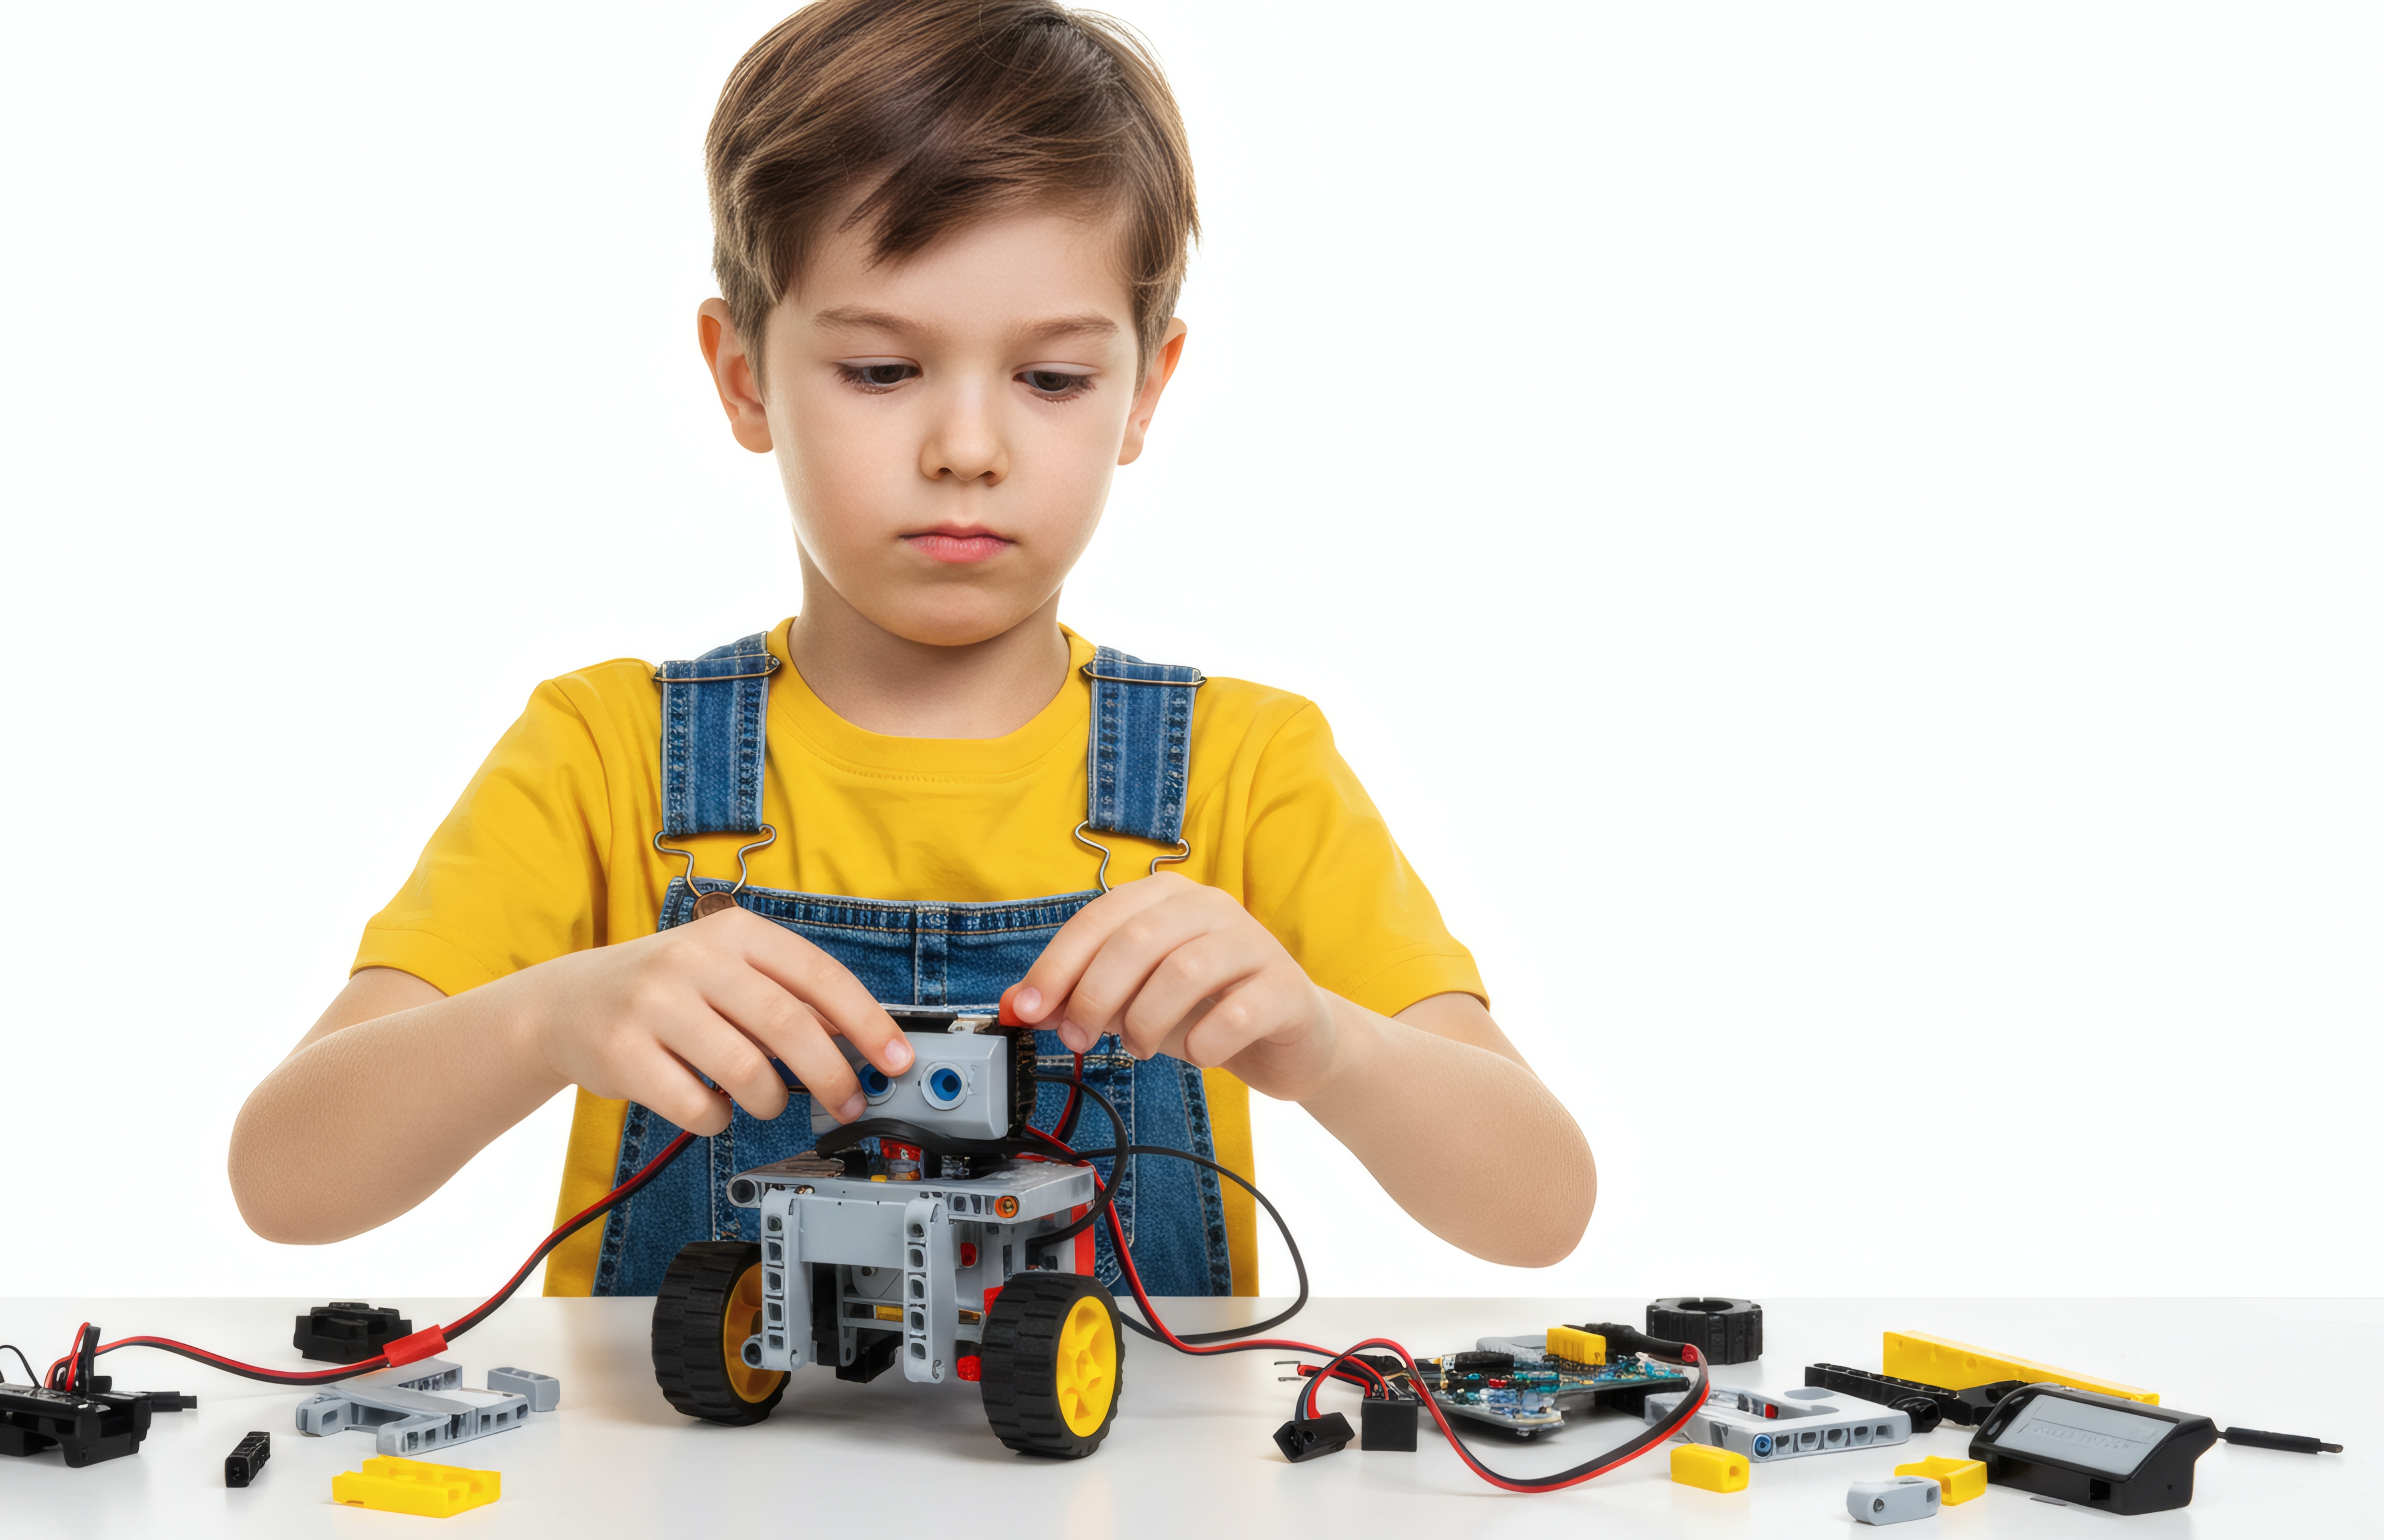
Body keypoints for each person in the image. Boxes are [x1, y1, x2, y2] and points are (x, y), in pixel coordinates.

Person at [229, 0, 1596, 1301]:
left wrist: (1327, 1039)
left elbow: (1541, 1207)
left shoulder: (1246, 765)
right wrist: (545, 1018)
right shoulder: (607, 756)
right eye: (882, 370)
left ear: (1145, 391)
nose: (967, 448)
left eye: (1052, 378)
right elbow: (288, 1180)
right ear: (744, 375)